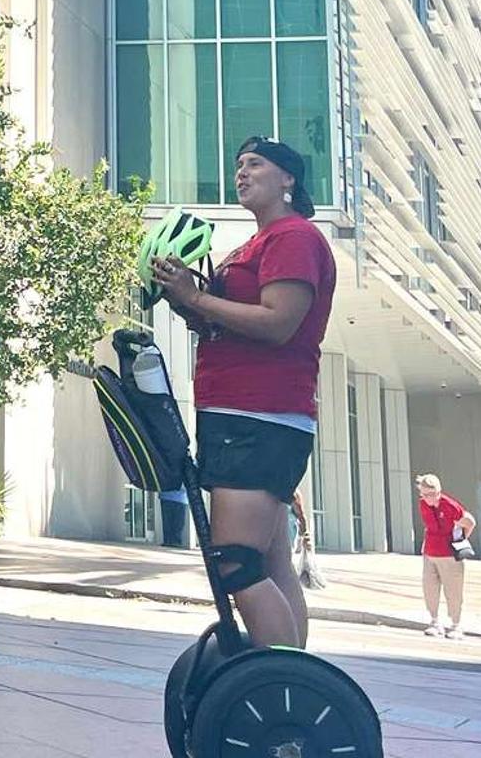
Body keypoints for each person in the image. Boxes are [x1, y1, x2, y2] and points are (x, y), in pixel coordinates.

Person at [153, 135, 334, 651]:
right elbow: (226, 324)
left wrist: (197, 299)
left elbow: (279, 323)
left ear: (288, 179)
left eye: (256, 163)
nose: (242, 172)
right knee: (272, 563)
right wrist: (186, 300)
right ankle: (290, 675)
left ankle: (279, 681)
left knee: (236, 562)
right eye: (239, 164)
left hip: (258, 417)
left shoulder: (293, 237)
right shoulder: (254, 245)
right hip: (248, 416)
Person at [415, 473, 476, 639]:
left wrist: (461, 539)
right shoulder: (423, 504)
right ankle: (434, 621)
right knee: (430, 588)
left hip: (449, 555)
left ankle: (456, 624)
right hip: (430, 552)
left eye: (430, 494)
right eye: (424, 494)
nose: (427, 498)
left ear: (438, 491)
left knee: (453, 591)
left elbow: (470, 522)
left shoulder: (450, 505)